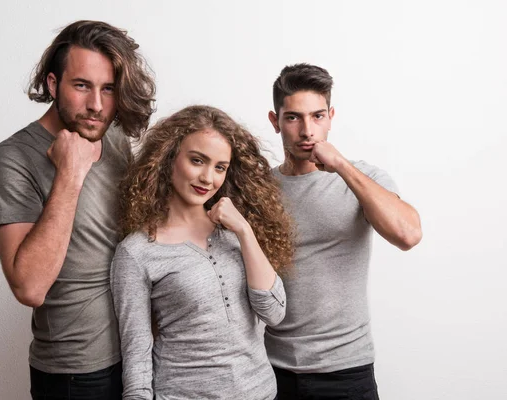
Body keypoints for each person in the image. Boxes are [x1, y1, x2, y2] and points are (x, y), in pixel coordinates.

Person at [0, 20, 155, 399]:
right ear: (52, 84)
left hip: (135, 353)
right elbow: (29, 287)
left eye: (108, 89)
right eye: (81, 86)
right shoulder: (14, 157)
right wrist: (69, 175)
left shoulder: (112, 136)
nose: (97, 105)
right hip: (75, 373)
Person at [110, 105, 294, 400]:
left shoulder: (235, 234)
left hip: (260, 392)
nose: (208, 178)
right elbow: (136, 351)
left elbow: (274, 312)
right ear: (168, 158)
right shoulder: (137, 252)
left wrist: (245, 231)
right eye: (198, 161)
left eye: (220, 167)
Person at [265, 64, 423, 399]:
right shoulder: (259, 187)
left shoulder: (362, 178)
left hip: (346, 370)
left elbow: (408, 234)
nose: (308, 130)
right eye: (293, 117)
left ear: (331, 116)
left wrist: (340, 166)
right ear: (275, 120)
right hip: (270, 368)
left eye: (317, 116)